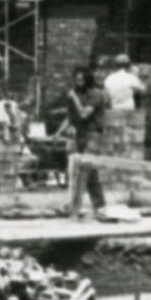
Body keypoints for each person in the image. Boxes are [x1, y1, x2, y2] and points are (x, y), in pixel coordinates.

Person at [45, 68, 106, 218]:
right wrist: (57, 134)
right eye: (76, 80)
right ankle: (99, 205)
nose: (78, 83)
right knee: (88, 172)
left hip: (93, 135)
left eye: (81, 80)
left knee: (85, 168)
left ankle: (75, 205)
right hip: (80, 135)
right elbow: (71, 117)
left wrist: (74, 99)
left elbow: (84, 114)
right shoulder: (76, 94)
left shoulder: (96, 94)